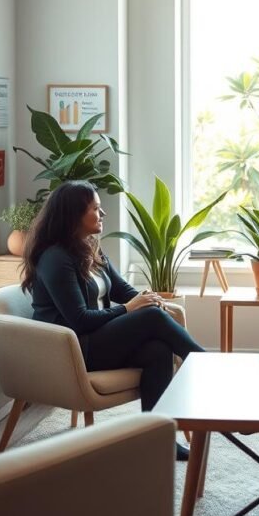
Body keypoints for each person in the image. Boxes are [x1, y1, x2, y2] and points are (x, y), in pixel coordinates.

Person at [22, 180, 204, 461]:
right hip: (72, 350)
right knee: (152, 318)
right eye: (95, 208)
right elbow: (80, 320)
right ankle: (208, 367)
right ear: (74, 215)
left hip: (98, 339)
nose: (102, 214)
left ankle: (159, 439)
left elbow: (122, 291)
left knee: (158, 351)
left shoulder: (89, 248)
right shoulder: (55, 258)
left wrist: (147, 298)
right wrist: (132, 309)